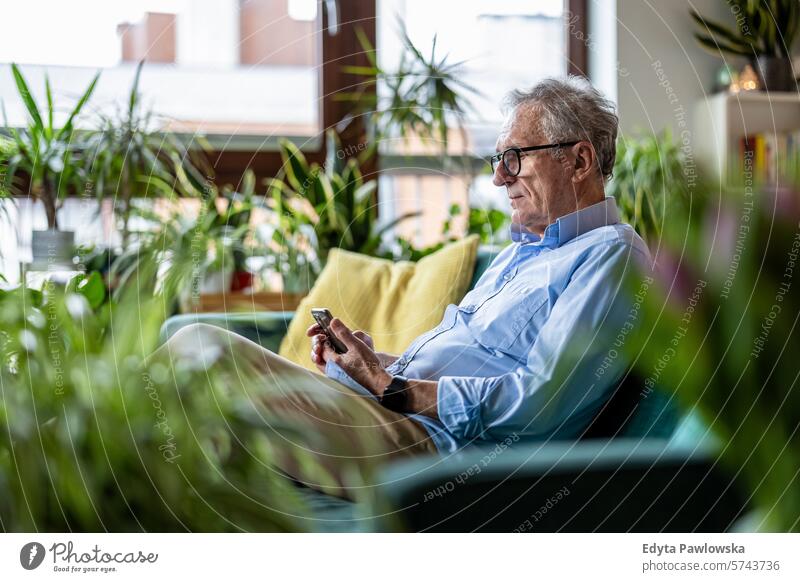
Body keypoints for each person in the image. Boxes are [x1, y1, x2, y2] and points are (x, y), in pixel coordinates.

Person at [159, 76, 651, 497]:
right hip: (396, 416)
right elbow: (463, 365)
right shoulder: (519, 254)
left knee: (202, 352)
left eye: (515, 157)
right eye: (498, 158)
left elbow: (541, 400)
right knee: (194, 368)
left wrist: (391, 387)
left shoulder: (610, 255)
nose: (499, 177)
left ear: (580, 161)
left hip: (436, 453)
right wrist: (369, 364)